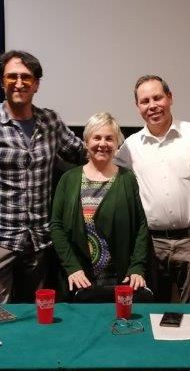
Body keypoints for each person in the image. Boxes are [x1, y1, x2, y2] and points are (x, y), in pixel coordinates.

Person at [0, 50, 85, 303]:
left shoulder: (50, 122)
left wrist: (119, 149)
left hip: (39, 243)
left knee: (36, 317)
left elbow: (82, 153)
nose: (19, 82)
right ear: (2, 82)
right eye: (12, 76)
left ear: (36, 84)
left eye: (26, 77)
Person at [115, 75, 190, 302]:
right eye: (145, 101)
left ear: (170, 98)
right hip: (151, 245)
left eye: (157, 98)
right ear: (138, 107)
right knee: (153, 312)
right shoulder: (130, 146)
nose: (152, 105)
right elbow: (108, 176)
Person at [50, 112, 148, 296]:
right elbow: (56, 226)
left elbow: (141, 226)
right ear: (86, 142)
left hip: (120, 279)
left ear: (117, 144)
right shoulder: (68, 179)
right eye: (97, 138)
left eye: (109, 138)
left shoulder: (127, 179)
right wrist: (72, 267)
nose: (103, 143)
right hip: (79, 279)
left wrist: (137, 267)